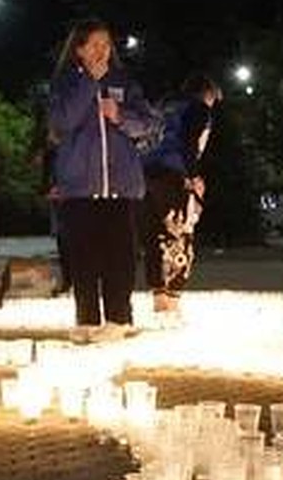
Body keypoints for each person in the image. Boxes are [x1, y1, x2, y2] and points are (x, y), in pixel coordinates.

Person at [48, 19, 159, 333]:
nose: (102, 51)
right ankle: (87, 320)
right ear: (79, 49)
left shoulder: (125, 82)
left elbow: (150, 124)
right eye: (94, 44)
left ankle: (119, 320)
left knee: (120, 259)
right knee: (83, 259)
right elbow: (62, 122)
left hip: (121, 187)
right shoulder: (66, 83)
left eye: (106, 44)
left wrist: (119, 115)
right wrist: (89, 85)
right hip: (80, 188)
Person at [140, 72, 221, 315]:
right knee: (181, 234)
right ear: (207, 94)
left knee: (155, 236)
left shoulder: (163, 108)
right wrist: (194, 176)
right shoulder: (198, 109)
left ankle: (158, 295)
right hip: (174, 176)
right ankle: (173, 296)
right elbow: (189, 143)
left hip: (145, 173)